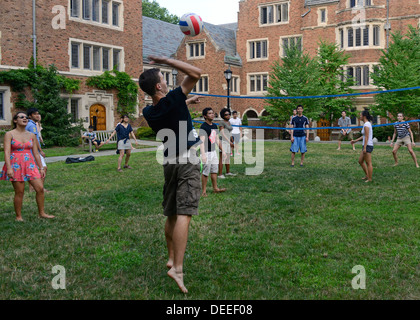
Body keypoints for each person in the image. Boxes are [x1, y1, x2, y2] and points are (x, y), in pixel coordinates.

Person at [139, 55, 202, 294]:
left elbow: (169, 108)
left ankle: (170, 257)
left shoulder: (149, 111)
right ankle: (177, 268)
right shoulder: (175, 98)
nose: (167, 81)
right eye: (164, 78)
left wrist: (187, 101)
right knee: (185, 212)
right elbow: (196, 72)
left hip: (169, 161)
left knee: (171, 212)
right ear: (158, 86)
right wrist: (168, 60)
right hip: (187, 159)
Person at [0, 112, 54, 221]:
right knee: (20, 192)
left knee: (40, 189)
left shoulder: (31, 135)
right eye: (21, 117)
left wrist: (41, 167)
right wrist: (9, 168)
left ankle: (42, 213)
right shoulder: (9, 134)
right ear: (15, 120)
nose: (25, 119)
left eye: (26, 117)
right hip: (16, 165)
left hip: (30, 164)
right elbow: (6, 152)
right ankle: (18, 216)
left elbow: (35, 153)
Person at [199, 107, 227, 197]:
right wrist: (203, 155)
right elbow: (202, 142)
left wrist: (223, 151)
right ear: (205, 116)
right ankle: (203, 191)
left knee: (214, 170)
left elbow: (217, 140)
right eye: (210, 113)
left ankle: (215, 188)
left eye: (213, 113)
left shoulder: (214, 126)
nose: (212, 115)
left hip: (213, 152)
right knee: (205, 172)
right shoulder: (203, 127)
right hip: (206, 152)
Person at [26, 108, 48, 191]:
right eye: (35, 114)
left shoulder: (29, 124)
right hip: (34, 151)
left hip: (30, 151)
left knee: (32, 169)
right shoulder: (32, 125)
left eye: (38, 113)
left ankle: (32, 188)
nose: (37, 115)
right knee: (43, 168)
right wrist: (40, 151)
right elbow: (34, 138)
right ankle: (40, 188)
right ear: (30, 116)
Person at [351, 110, 374, 182]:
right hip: (365, 145)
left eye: (360, 115)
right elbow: (363, 136)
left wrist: (364, 148)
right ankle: (367, 175)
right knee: (360, 161)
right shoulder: (366, 124)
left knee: (368, 163)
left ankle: (370, 179)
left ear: (364, 116)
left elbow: (367, 137)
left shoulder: (367, 125)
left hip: (368, 145)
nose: (359, 117)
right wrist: (355, 141)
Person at [218, 108, 236, 178]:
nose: (228, 115)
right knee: (222, 158)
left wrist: (232, 141)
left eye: (229, 114)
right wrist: (229, 142)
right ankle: (220, 174)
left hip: (228, 141)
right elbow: (222, 133)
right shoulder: (221, 122)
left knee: (227, 157)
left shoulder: (229, 122)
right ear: (223, 115)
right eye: (226, 114)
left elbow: (230, 132)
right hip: (223, 141)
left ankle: (228, 172)